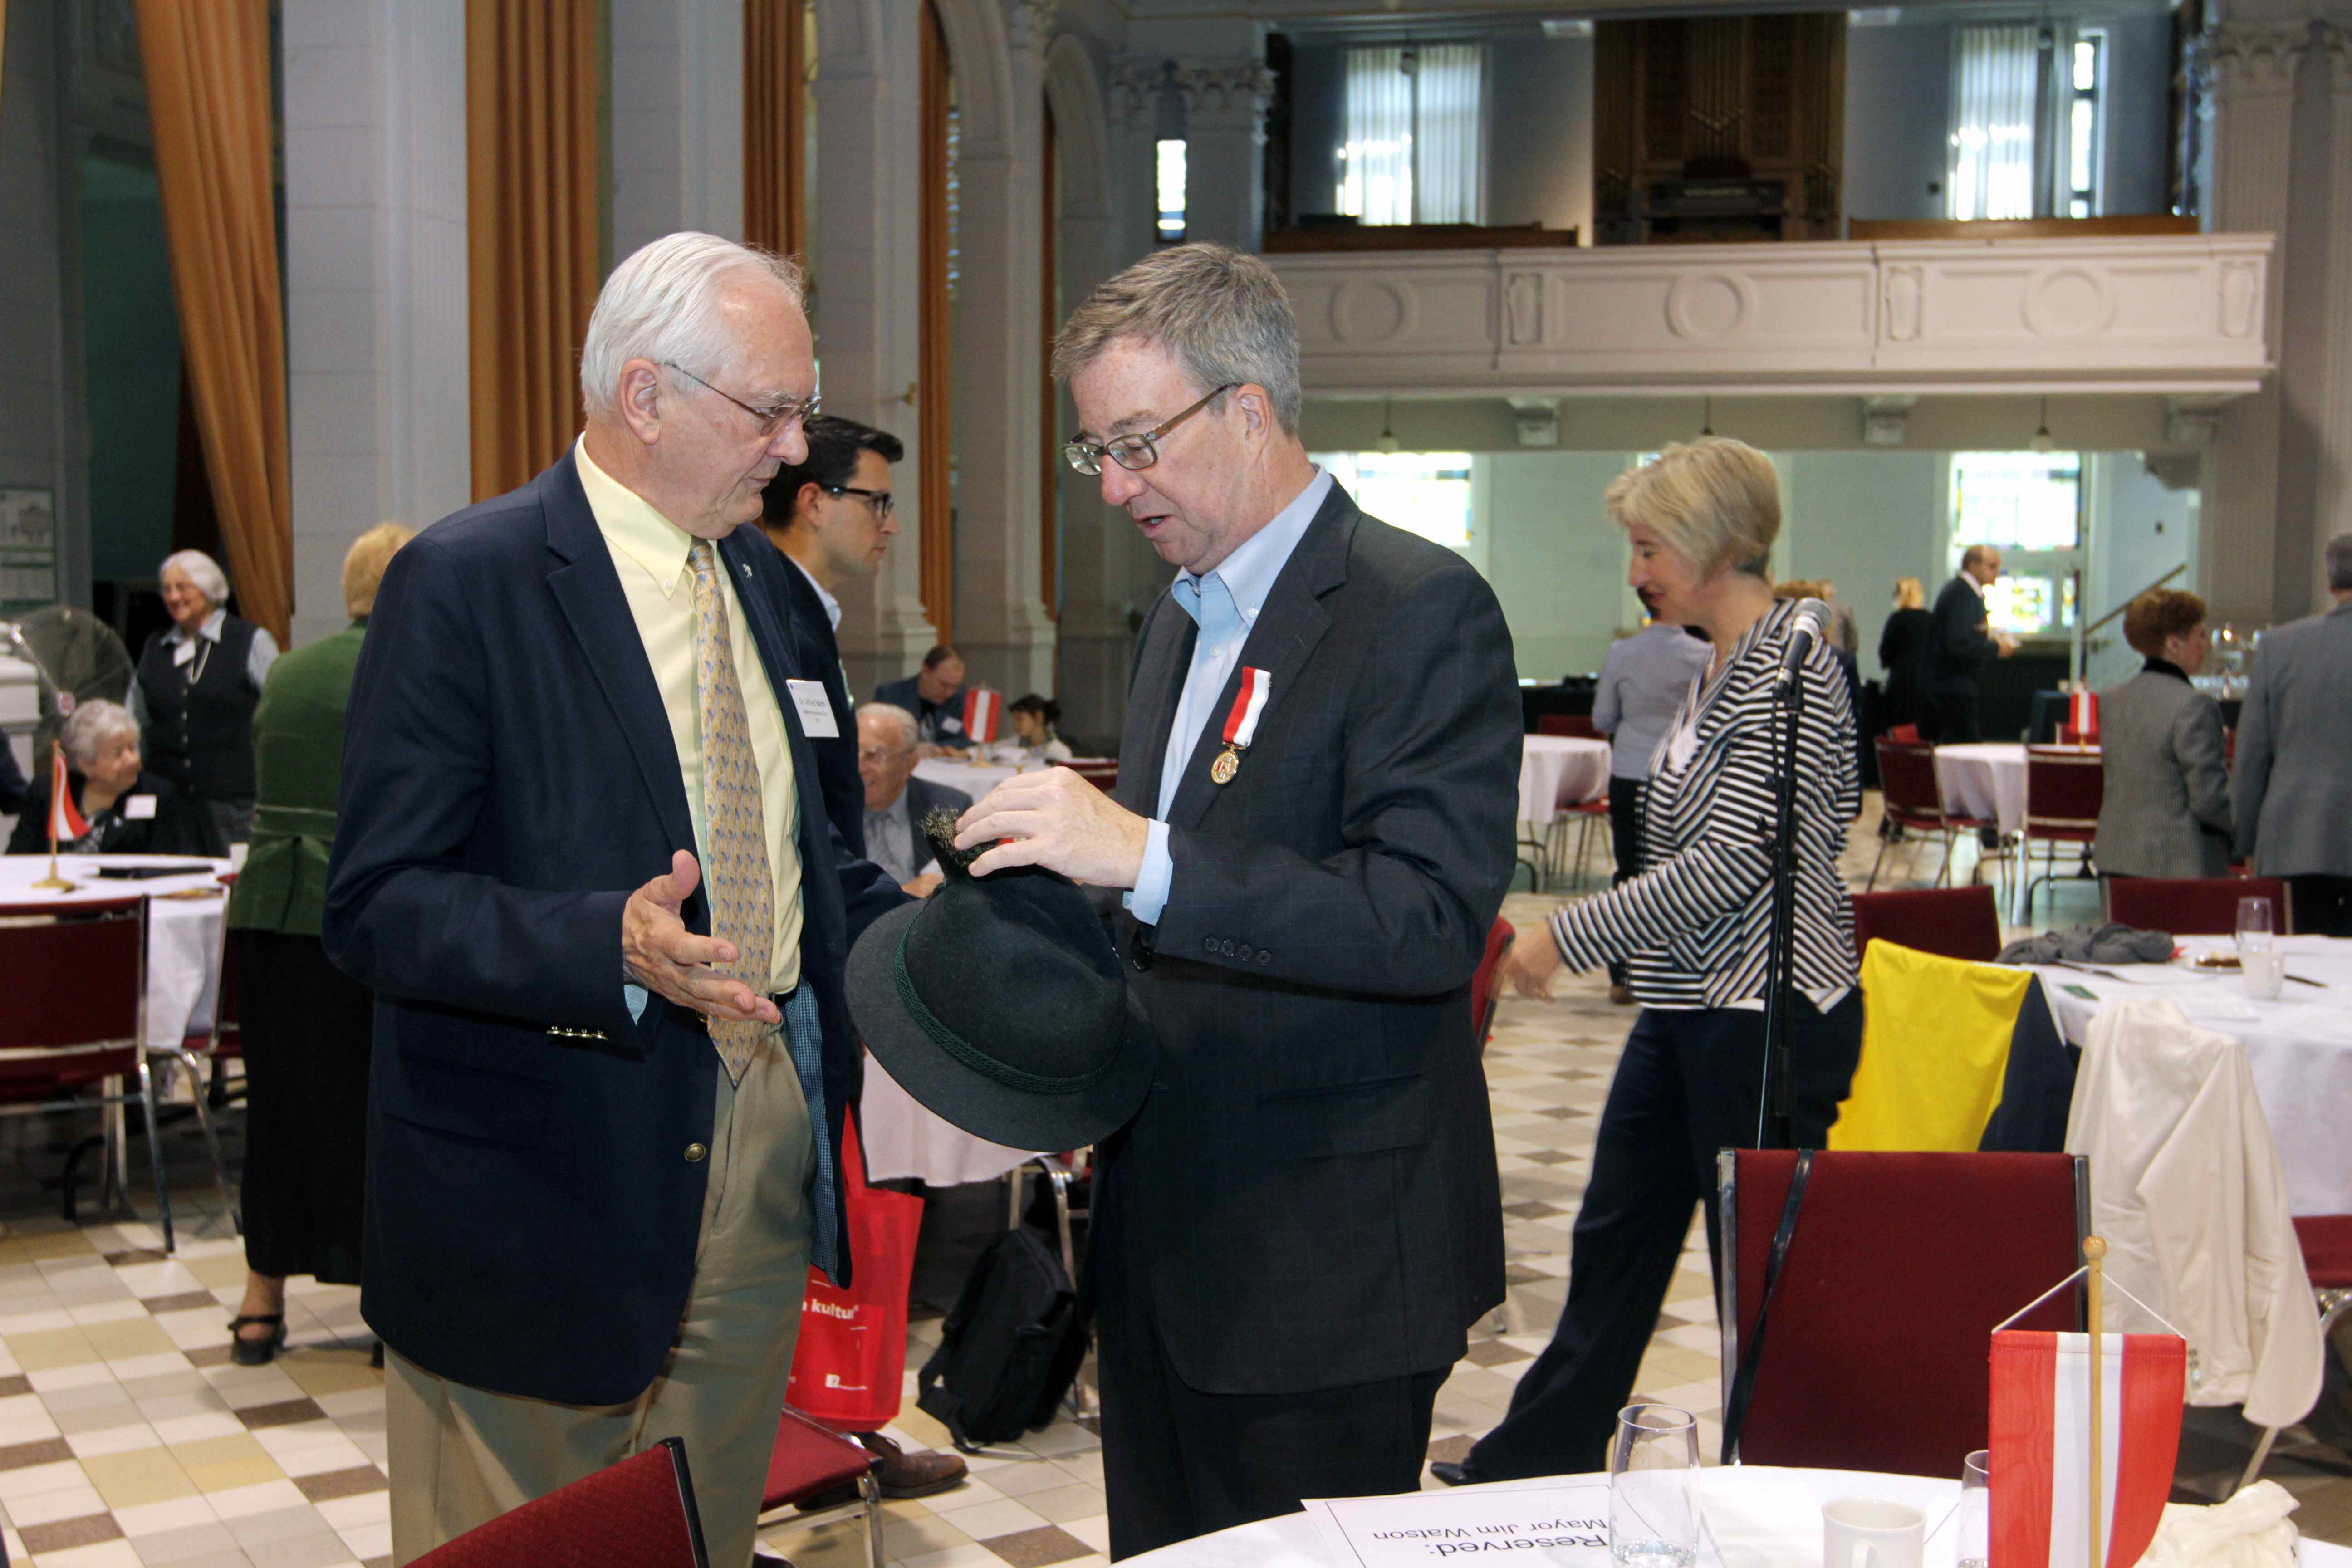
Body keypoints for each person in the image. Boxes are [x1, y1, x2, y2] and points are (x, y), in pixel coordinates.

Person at [321, 232, 906, 1568]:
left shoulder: (776, 597)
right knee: (524, 1547)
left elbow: (823, 858)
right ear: (644, 396)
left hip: (759, 1133)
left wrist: (957, 936)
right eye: (769, 411)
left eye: (801, 410)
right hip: (540, 1171)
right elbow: (379, 902)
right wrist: (608, 943)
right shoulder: (470, 582)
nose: (796, 449)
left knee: (697, 1539)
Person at [951, 242, 1520, 1557]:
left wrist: (1142, 857)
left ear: (1250, 410)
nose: (1117, 488)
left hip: (1329, 1267)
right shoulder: (1179, 620)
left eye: (1139, 443)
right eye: (1098, 452)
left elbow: (1427, 919)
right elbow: (1170, 921)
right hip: (1165, 1243)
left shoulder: (1417, 608)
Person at [1432, 438, 1863, 1486]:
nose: (1635, 571)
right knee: (1616, 1232)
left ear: (1713, 541)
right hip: (1690, 1004)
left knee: (1756, 1271)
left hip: (1765, 1014)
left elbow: (1731, 863)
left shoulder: (1793, 656)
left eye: (1647, 546)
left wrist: (1561, 934)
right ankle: (1537, 1450)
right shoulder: (1713, 661)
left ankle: (1793, 1472)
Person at [224, 523, 415, 1366]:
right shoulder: (409, 668)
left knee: (278, 1109)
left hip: (271, 912)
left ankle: (260, 1300)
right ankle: (390, 1299)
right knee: (381, 1110)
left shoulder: (291, 671)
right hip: (367, 921)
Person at [757, 415, 905, 859]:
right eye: (877, 502)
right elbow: (801, 809)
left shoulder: (800, 609)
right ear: (814, 504)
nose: (890, 525)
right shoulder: (778, 622)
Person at [2235, 528, 2352, 937]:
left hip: (2296, 835)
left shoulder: (2280, 647)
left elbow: (2252, 753)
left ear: (2330, 581)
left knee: (2304, 969)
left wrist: (2245, 839)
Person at [1589, 607, 1709, 1005]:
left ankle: (1623, 975)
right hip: (1682, 778)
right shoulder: (1703, 653)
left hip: (1630, 772)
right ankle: (1676, 969)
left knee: (1629, 870)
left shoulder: (1622, 652)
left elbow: (1603, 716)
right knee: (1680, 872)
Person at [129, 548, 279, 853]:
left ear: (208, 589)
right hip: (171, 805)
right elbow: (135, 718)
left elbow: (278, 711)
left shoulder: (249, 641)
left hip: (234, 803)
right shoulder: (156, 647)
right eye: (167, 589)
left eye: (182, 588)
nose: (173, 597)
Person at [2092, 589, 2230, 882]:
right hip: (2172, 860)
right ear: (2174, 644)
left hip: (2116, 853)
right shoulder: (2193, 705)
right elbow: (2208, 798)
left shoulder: (2113, 698)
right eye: (2200, 636)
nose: (2206, 646)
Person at [6, 699, 193, 856]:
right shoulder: (49, 792)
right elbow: (18, 860)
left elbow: (166, 865)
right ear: (86, 764)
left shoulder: (157, 795)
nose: (132, 759)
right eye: (118, 753)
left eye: (132, 748)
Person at [859, 704, 970, 898]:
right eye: (851, 753)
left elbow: (966, 893)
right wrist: (902, 893)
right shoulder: (828, 812)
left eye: (872, 755)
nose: (859, 767)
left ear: (910, 762)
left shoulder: (948, 810)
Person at [1923, 545, 2017, 743]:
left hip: (1955, 687)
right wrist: (1996, 649)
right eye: (1992, 567)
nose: (1997, 574)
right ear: (1973, 566)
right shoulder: (1962, 594)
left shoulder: (1966, 593)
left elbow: (1967, 633)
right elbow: (1957, 644)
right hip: (1953, 689)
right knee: (1962, 751)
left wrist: (1989, 636)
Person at [872, 644, 969, 753]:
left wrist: (937, 748)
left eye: (955, 687)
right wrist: (911, 749)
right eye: (944, 685)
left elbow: (969, 739)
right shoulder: (890, 695)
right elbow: (877, 737)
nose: (949, 693)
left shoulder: (961, 698)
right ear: (926, 670)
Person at [1878, 576, 1933, 730]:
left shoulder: (1898, 618)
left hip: (1901, 682)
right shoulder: (1930, 619)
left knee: (1900, 727)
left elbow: (1886, 652)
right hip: (1926, 683)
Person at [992, 693, 1075, 764]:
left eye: (1020, 719)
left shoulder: (1059, 752)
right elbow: (991, 751)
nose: (1016, 726)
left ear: (1038, 717)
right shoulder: (1014, 744)